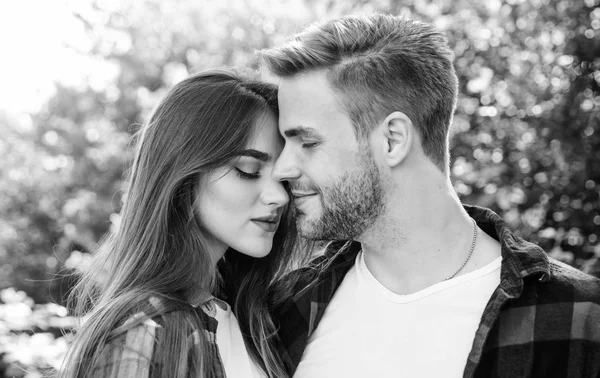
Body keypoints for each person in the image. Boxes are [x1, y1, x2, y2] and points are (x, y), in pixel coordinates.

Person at [259, 13, 600, 378]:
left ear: (393, 140)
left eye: (307, 142)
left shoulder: (581, 318)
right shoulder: (284, 311)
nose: (282, 169)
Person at [59, 69, 306, 378]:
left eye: (282, 177)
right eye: (248, 169)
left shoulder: (255, 324)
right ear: (183, 176)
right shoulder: (144, 332)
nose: (279, 197)